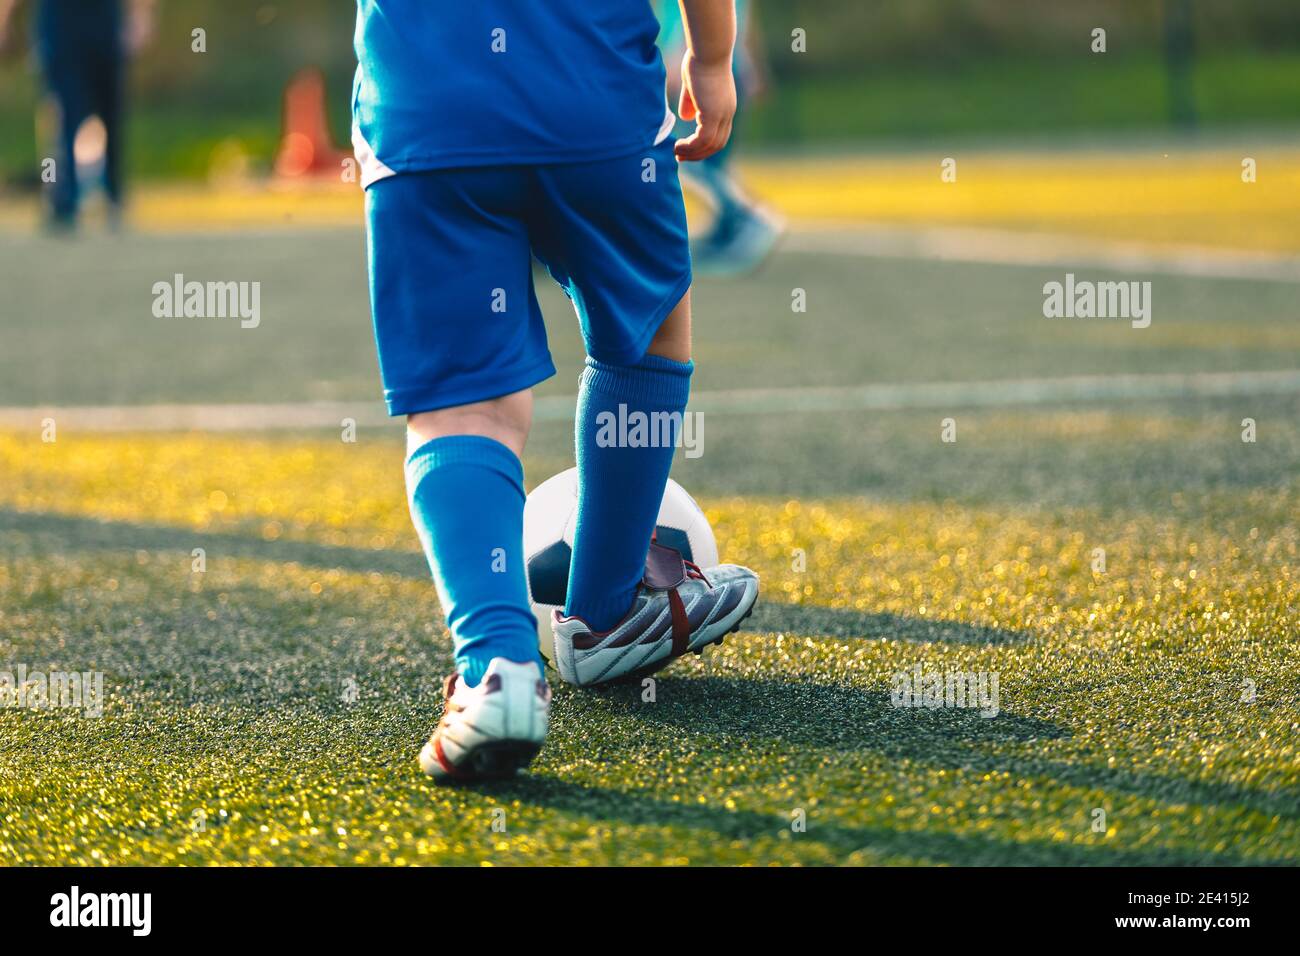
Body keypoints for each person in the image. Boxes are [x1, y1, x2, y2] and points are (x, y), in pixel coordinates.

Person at [352, 0, 761, 783]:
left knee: (464, 406)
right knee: (647, 336)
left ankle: (497, 670)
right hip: (594, 94)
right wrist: (711, 57)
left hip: (427, 108)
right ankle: (603, 613)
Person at [0, 0, 155, 230]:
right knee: (62, 114)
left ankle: (114, 196)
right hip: (58, 23)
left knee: (111, 114)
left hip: (104, 21)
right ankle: (61, 199)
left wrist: (141, 15)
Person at [655, 0, 783, 275]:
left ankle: (748, 216)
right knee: (711, 161)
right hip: (725, 67)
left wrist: (680, 57)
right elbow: (743, 18)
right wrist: (754, 66)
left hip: (697, 68)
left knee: (680, 157)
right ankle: (726, 230)